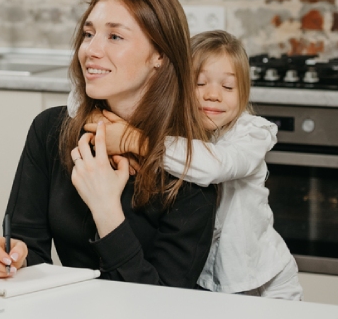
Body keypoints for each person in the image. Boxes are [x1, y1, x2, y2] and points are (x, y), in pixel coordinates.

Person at [0, 0, 218, 288]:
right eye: (89, 34)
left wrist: (106, 209)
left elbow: (165, 301)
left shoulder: (192, 166)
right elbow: (27, 244)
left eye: (115, 36)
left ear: (159, 54)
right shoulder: (50, 129)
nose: (90, 50)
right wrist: (14, 258)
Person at [72, 30, 303, 300]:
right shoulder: (175, 128)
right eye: (199, 83)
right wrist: (99, 114)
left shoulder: (251, 133)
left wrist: (132, 140)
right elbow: (75, 100)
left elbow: (214, 167)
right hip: (204, 281)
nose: (213, 95)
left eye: (228, 87)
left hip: (262, 279)